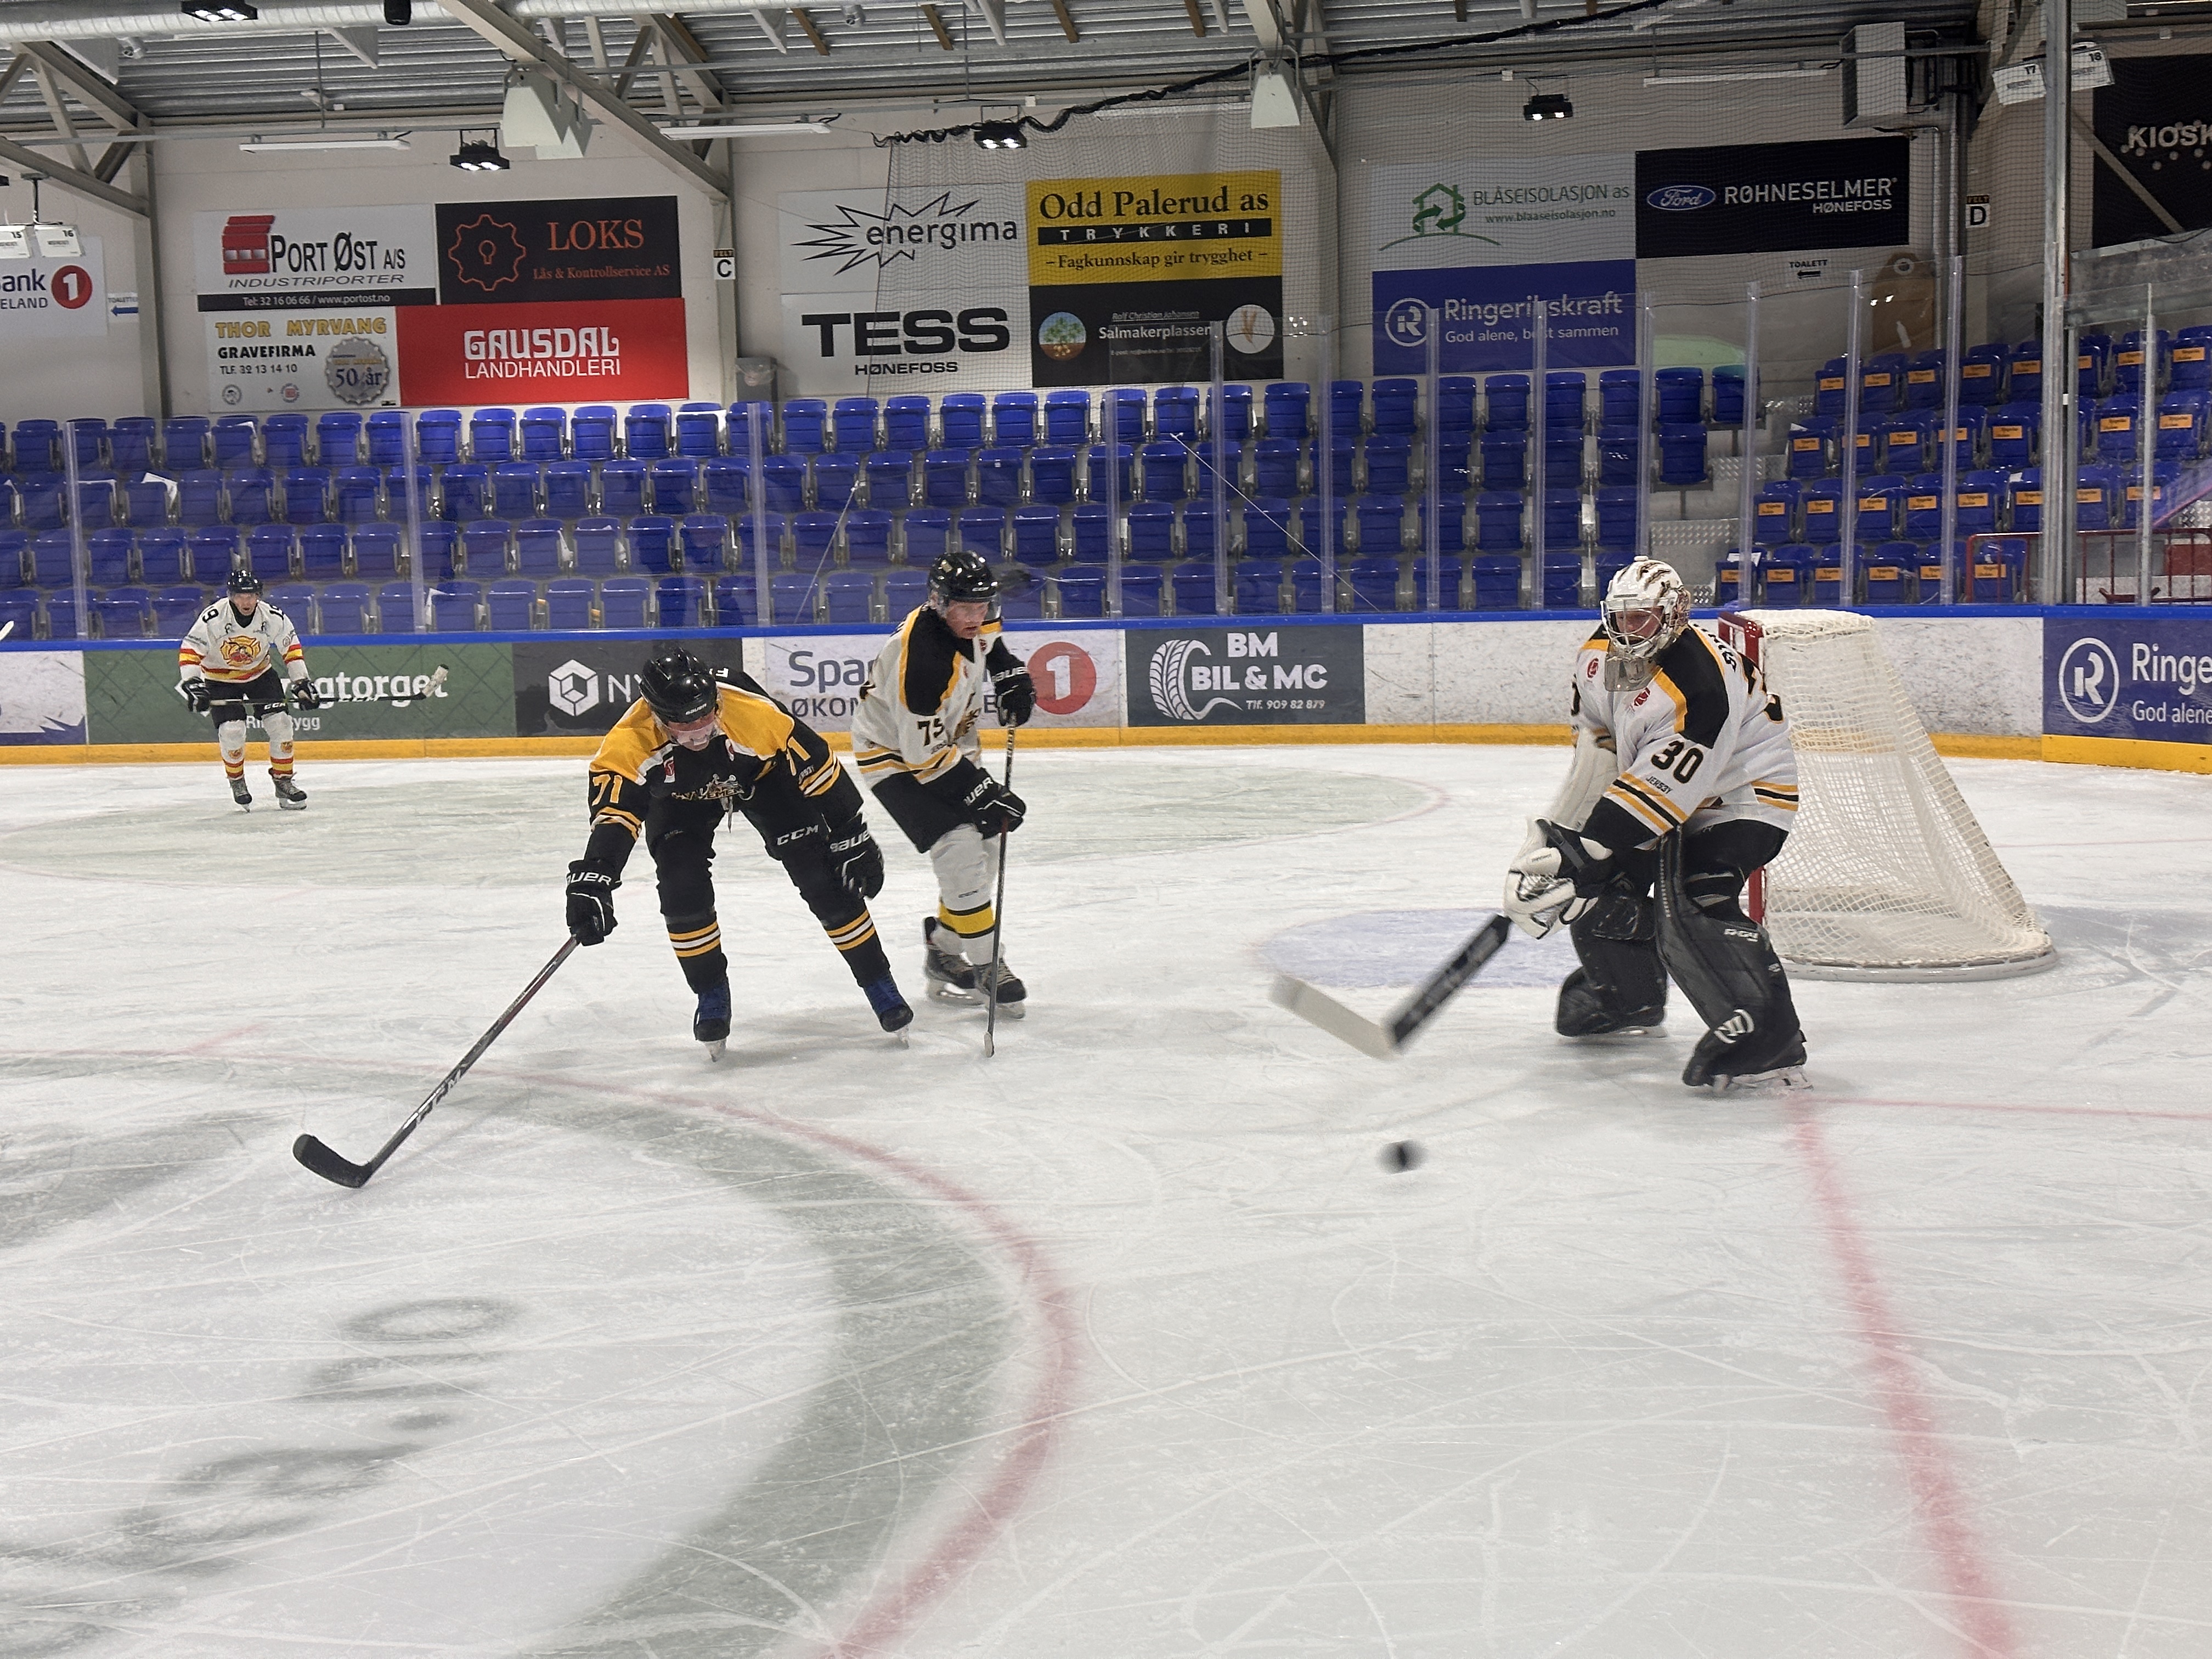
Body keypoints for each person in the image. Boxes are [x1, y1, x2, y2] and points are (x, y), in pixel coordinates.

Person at [1499, 557, 1808, 1091]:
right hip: (1664, 793)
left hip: (1744, 799)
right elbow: (1599, 752)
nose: (1628, 630)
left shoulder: (1700, 683)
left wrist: (1589, 853)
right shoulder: (1600, 658)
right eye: (1620, 618)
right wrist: (1562, 841)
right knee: (1601, 883)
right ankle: (1626, 998)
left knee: (1694, 898)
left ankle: (1767, 1032)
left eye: (1642, 618)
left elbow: (1670, 791)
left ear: (1673, 615)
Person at [563, 647, 910, 1056]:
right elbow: (615, 815)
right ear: (655, 713)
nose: (698, 733)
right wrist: (595, 876)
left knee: (822, 874)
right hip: (678, 799)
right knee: (680, 885)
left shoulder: (755, 713)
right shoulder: (630, 741)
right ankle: (710, 994)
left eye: (705, 717)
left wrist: (853, 834)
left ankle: (878, 983)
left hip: (763, 779)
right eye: (682, 724)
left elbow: (819, 767)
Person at [849, 548, 1035, 1016]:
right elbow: (922, 758)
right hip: (894, 757)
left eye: (983, 607)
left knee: (989, 846)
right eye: (966, 609)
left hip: (947, 745)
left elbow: (991, 642)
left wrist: (1008, 672)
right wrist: (981, 791)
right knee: (959, 849)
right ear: (938, 602)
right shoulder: (923, 662)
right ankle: (990, 963)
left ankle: (944, 949)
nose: (977, 617)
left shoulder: (969, 616)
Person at [175, 569, 321, 811]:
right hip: (219, 679)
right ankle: (237, 781)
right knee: (232, 730)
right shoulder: (213, 617)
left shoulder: (272, 616)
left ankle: (283, 782)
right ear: (231, 596)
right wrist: (193, 683)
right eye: (241, 596)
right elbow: (191, 649)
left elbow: (291, 648)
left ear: (259, 596)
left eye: (252, 595)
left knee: (282, 724)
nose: (247, 601)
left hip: (260, 674)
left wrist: (301, 682)